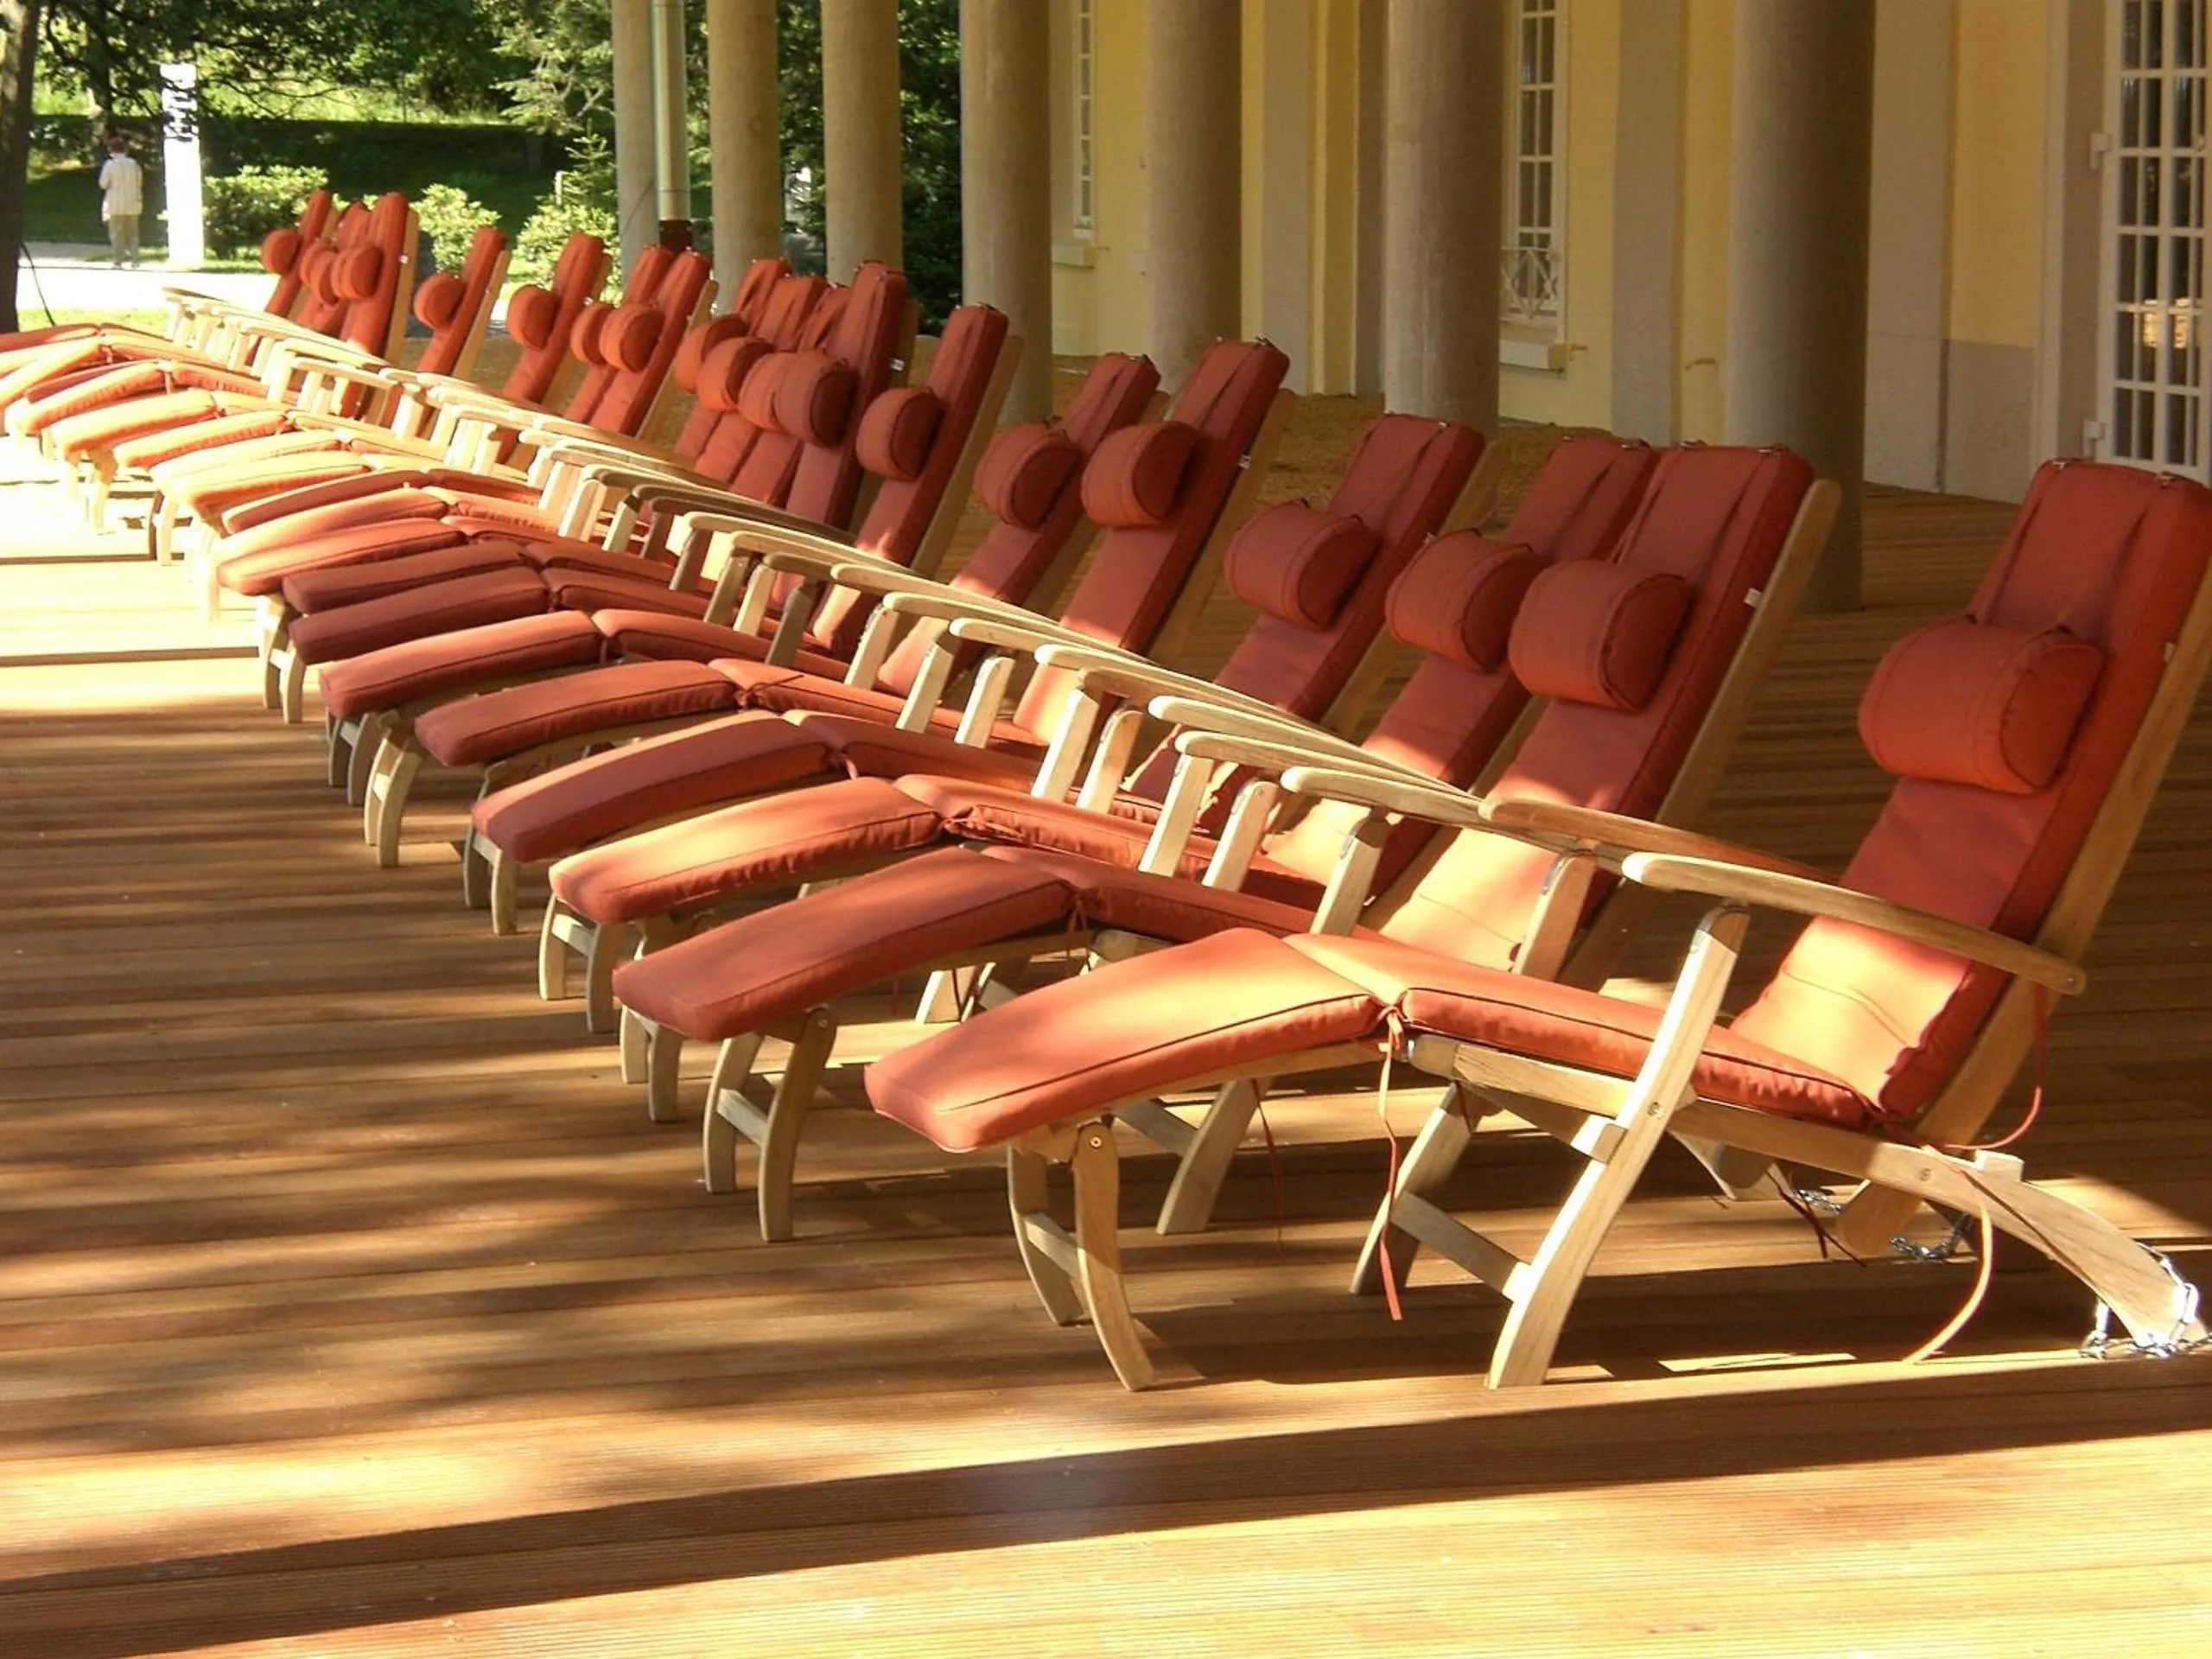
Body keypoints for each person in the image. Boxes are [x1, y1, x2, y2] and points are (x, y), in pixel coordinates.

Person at [98, 135, 144, 268]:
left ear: (110, 150)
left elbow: (103, 184)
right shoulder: (133, 164)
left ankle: (118, 261)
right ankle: (135, 260)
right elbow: (139, 181)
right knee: (133, 233)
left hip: (115, 203)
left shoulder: (110, 165)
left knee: (117, 233)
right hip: (133, 202)